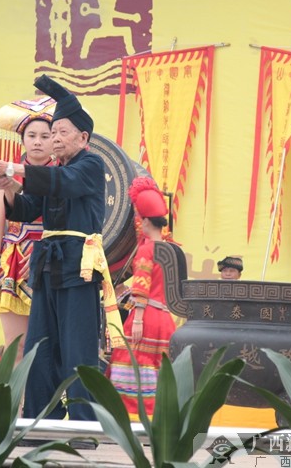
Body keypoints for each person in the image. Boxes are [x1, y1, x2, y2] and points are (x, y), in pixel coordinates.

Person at [0, 74, 105, 421]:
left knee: (77, 347)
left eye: (61, 132)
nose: (55, 138)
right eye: (54, 132)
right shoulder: (54, 172)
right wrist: (7, 184)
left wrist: (12, 167)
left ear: (83, 138)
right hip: (47, 267)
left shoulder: (90, 165)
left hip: (78, 267)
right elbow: (24, 209)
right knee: (39, 346)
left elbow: (63, 182)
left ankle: (83, 425)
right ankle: (39, 419)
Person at [0, 98, 56, 360]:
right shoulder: (5, 178)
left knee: (48, 347)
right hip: (14, 264)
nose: (37, 142)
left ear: (54, 141)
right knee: (17, 346)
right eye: (31, 136)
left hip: (50, 261)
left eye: (45, 136)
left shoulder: (62, 177)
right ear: (22, 140)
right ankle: (16, 390)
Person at [107, 177, 176, 420]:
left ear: (145, 220)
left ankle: (134, 419)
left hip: (145, 318)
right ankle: (159, 417)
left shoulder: (146, 250)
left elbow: (141, 287)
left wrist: (136, 319)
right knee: (159, 369)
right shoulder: (171, 248)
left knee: (134, 364)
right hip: (166, 320)